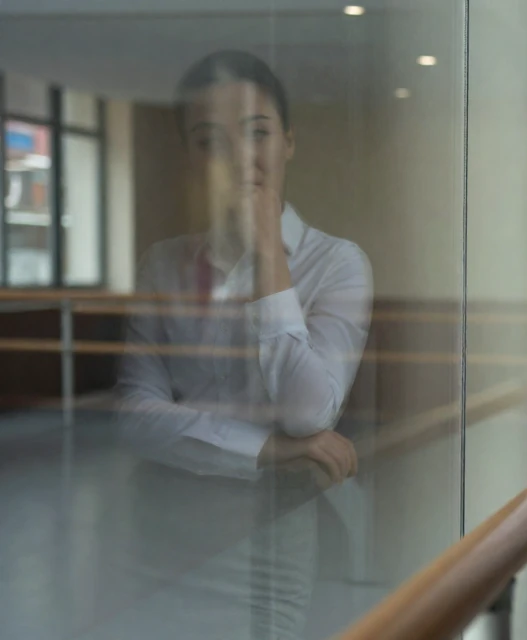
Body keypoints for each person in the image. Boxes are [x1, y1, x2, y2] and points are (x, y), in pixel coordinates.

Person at [110, 50, 373, 639]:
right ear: (191, 157)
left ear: (288, 142)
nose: (239, 157)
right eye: (210, 140)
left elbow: (310, 410)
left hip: (274, 524)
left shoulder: (337, 263)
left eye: (257, 133)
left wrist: (269, 257)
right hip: (163, 520)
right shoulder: (165, 264)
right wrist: (266, 449)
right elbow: (133, 414)